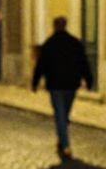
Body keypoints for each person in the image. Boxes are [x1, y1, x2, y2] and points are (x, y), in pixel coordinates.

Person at [32, 17, 93, 158]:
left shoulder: (49, 43)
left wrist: (35, 82)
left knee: (61, 115)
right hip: (71, 84)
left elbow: (40, 65)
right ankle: (65, 144)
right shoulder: (74, 43)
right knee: (63, 114)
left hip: (56, 84)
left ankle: (62, 141)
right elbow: (84, 63)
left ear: (55, 26)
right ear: (65, 26)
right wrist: (89, 80)